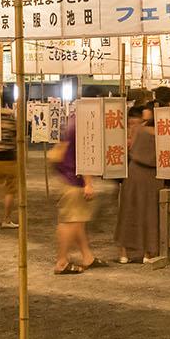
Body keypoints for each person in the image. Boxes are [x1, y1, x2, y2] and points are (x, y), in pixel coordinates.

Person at [50, 108, 101, 272]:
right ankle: (61, 262)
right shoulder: (86, 124)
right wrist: (88, 182)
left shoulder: (74, 118)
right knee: (69, 221)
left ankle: (87, 257)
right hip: (73, 178)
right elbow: (85, 153)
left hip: (66, 174)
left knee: (77, 220)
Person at [115, 102, 161, 264]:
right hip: (154, 175)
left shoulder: (138, 130)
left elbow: (130, 148)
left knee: (129, 211)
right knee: (151, 214)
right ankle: (149, 252)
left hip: (134, 172)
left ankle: (124, 252)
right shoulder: (164, 132)